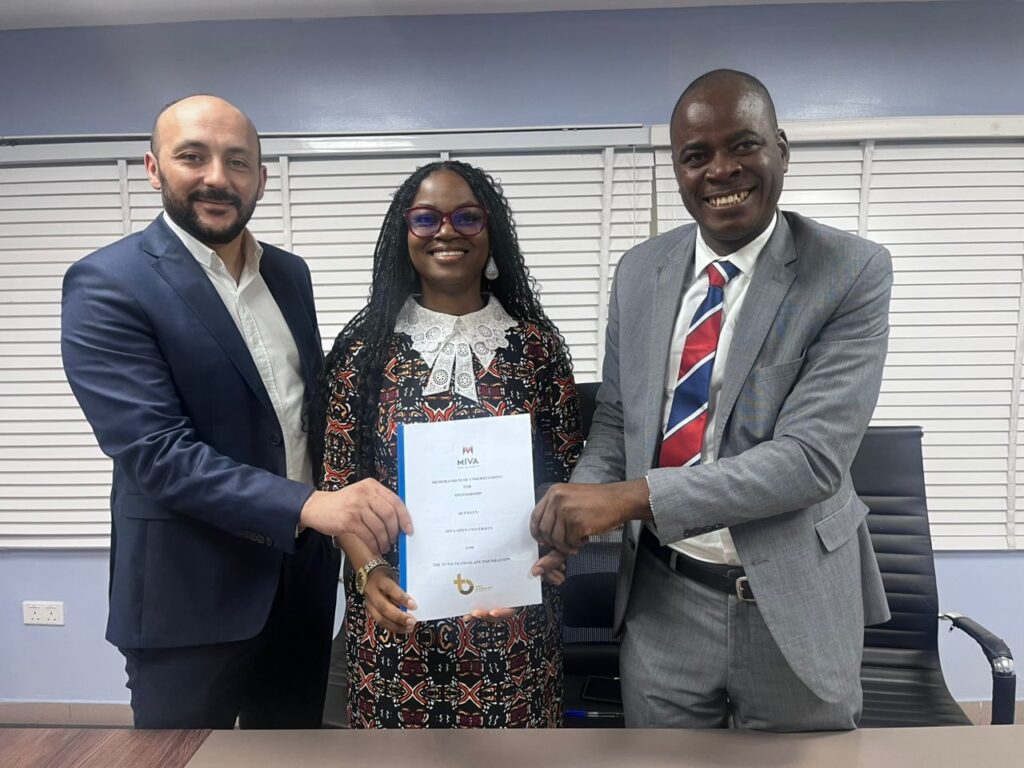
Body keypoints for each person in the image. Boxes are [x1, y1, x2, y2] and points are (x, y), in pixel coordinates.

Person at [530, 69, 893, 731]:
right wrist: (574, 514)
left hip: (792, 596)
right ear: (677, 168)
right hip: (665, 596)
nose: (721, 170)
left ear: (780, 149)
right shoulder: (640, 272)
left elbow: (811, 461)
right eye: (696, 156)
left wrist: (631, 497)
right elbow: (617, 420)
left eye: (743, 146)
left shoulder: (849, 271)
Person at [61, 94, 410, 729]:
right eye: (192, 156)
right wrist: (310, 506)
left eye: (237, 161)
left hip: (300, 583)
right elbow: (156, 454)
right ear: (153, 168)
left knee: (290, 752)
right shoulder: (108, 284)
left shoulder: (289, 274)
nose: (217, 177)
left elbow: (307, 424)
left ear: (261, 177)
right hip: (188, 597)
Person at [311, 160, 582, 728]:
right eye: (426, 218)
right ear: (403, 234)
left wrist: (558, 545)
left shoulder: (536, 348)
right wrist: (369, 573)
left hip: (512, 627)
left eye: (466, 217)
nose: (447, 232)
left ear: (490, 231)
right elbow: (337, 487)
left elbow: (567, 476)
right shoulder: (364, 349)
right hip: (396, 623)